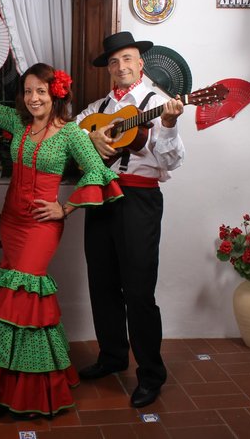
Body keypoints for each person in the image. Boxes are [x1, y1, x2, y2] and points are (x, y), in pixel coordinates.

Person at [0, 32, 123, 419]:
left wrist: (64, 210)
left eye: (41, 92)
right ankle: (5, 387)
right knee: (13, 301)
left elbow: (98, 174)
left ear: (56, 94)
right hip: (12, 220)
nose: (34, 98)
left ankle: (32, 392)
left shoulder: (70, 134)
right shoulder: (18, 124)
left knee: (26, 297)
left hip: (41, 226)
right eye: (28, 91)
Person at [75, 31, 185, 408]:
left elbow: (170, 162)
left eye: (127, 59)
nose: (121, 66)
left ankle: (151, 374)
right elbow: (73, 137)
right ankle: (111, 357)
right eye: (114, 61)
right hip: (100, 195)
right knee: (101, 282)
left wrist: (168, 126)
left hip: (138, 198)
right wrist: (89, 140)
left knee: (138, 290)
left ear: (141, 62)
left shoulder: (160, 103)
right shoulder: (97, 107)